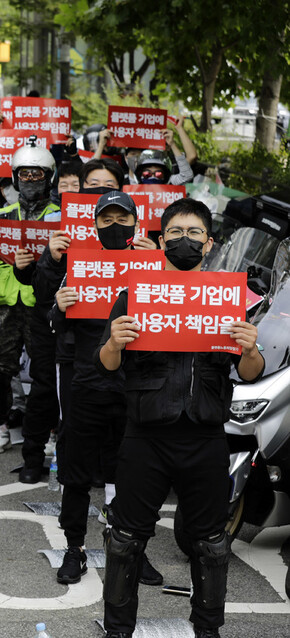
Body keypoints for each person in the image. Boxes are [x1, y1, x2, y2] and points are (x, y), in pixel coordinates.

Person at [95, 198, 265, 638]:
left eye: (194, 234)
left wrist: (250, 348)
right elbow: (107, 364)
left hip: (206, 435)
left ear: (209, 244)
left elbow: (249, 371)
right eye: (175, 233)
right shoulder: (136, 293)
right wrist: (114, 341)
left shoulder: (230, 298)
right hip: (145, 437)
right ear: (160, 240)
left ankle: (207, 630)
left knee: (210, 545)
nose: (184, 240)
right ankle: (118, 631)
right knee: (126, 540)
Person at [40, 191, 162, 588]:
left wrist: (156, 266)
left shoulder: (155, 264)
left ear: (136, 222)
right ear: (93, 225)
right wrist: (59, 305)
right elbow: (54, 323)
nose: (115, 227)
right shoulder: (80, 265)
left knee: (130, 473)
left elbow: (174, 314)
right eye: (106, 220)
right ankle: (73, 548)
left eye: (122, 219)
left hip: (135, 386)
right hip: (87, 384)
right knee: (75, 474)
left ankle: (131, 546)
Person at [0, 142, 60, 467]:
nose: (29, 179)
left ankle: (52, 432)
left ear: (48, 177)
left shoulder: (58, 218)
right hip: (6, 303)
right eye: (23, 174)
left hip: (42, 302)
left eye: (36, 173)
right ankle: (0, 428)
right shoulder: (0, 216)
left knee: (46, 371)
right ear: (14, 177)